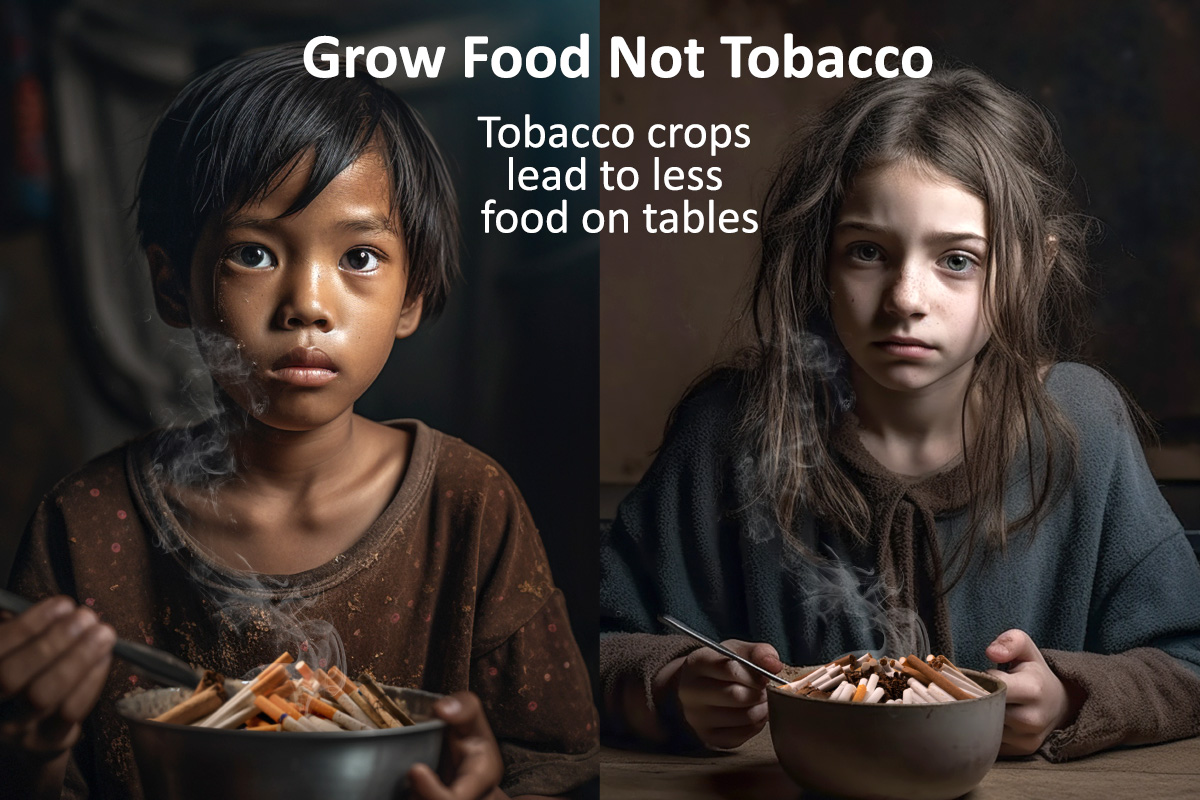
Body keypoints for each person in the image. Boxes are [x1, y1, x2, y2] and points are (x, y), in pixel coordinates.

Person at [1, 44, 598, 799]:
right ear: (172, 285)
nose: (307, 304)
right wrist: (25, 755)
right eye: (252, 253)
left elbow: (560, 763)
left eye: (359, 256)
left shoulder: (469, 504)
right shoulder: (86, 526)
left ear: (411, 295)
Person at [599, 64, 1200, 760]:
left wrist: (1070, 696)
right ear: (819, 260)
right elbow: (584, 644)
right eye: (866, 252)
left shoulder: (1079, 427)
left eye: (957, 260)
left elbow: (1188, 661)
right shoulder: (729, 430)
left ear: (1032, 268)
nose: (906, 297)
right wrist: (669, 687)